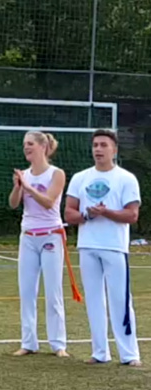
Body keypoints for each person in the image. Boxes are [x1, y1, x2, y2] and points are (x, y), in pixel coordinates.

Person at [65, 129, 141, 367]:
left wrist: (106, 212)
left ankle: (129, 354)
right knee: (94, 301)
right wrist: (88, 215)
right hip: (87, 246)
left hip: (114, 247)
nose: (98, 149)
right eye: (95, 145)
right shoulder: (80, 178)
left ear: (114, 150)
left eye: (103, 145)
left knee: (120, 300)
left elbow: (132, 215)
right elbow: (69, 213)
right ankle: (100, 352)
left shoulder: (126, 178)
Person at [8, 131, 81, 358]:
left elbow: (49, 202)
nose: (26, 147)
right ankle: (28, 342)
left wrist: (28, 187)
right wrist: (18, 187)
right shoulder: (24, 174)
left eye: (30, 143)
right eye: (24, 144)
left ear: (43, 146)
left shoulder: (56, 174)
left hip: (51, 236)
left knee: (53, 291)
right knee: (27, 291)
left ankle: (58, 344)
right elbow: (13, 204)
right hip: (28, 236)